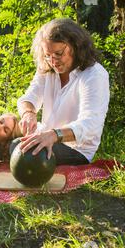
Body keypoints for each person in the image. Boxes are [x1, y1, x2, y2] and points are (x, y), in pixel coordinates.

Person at [15, 18, 110, 166]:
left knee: (26, 152)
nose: (53, 61)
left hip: (77, 150)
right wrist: (28, 113)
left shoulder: (95, 75)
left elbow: (90, 124)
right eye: (47, 55)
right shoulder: (47, 69)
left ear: (76, 45)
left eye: (58, 53)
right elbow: (28, 98)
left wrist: (54, 135)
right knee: (11, 142)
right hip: (46, 136)